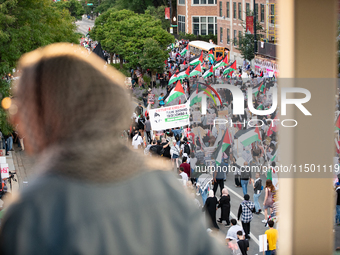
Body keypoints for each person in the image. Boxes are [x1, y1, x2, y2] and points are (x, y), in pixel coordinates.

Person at [0, 44, 227, 255]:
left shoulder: (33, 212)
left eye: (19, 104)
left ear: (52, 115)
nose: (13, 117)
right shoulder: (164, 186)